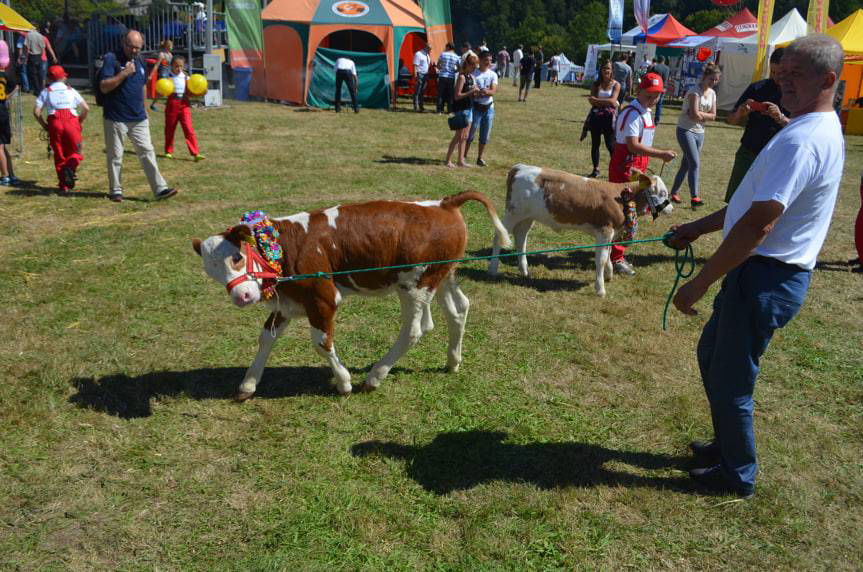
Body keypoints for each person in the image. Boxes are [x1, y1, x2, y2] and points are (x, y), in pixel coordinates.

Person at [668, 35, 845, 499]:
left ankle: (737, 473)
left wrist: (700, 283)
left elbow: (758, 224)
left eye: (796, 75)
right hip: (761, 273)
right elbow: (750, 205)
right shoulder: (808, 126)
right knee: (713, 356)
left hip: (767, 276)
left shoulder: (803, 140)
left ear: (827, 79)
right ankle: (727, 445)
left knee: (731, 379)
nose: (783, 82)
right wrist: (697, 227)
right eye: (781, 74)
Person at [607, 72, 676, 276]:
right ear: (639, 91)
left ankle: (613, 250)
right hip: (626, 169)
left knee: (635, 210)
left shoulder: (645, 111)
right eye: (649, 95)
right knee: (626, 214)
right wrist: (661, 154)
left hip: (636, 168)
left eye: (657, 96)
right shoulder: (633, 114)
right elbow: (632, 145)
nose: (653, 99)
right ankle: (616, 257)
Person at [99, 30, 177, 203]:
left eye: (138, 47)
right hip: (116, 116)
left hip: (138, 117)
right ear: (123, 42)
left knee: (147, 151)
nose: (134, 50)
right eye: (131, 47)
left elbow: (142, 85)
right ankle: (115, 190)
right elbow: (104, 86)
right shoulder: (111, 59)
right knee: (115, 155)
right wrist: (124, 74)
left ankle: (160, 188)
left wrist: (144, 108)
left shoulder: (140, 59)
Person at [724, 48, 789, 203]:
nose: (776, 77)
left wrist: (780, 117)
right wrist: (740, 112)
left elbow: (802, 127)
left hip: (776, 158)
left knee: (763, 204)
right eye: (773, 72)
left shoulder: (795, 93)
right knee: (735, 201)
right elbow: (730, 120)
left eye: (780, 73)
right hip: (748, 153)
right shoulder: (757, 88)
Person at [669, 62, 721, 208]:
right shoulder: (694, 92)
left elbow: (713, 115)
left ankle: (673, 193)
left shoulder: (712, 94)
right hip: (685, 130)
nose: (713, 82)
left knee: (686, 164)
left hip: (700, 132)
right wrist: (702, 115)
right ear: (704, 77)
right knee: (695, 163)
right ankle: (695, 197)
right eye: (711, 79)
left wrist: (700, 114)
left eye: (716, 80)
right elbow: (693, 116)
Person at [33, 65, 89, 193]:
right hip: (71, 121)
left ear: (49, 78)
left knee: (59, 154)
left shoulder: (46, 91)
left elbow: (36, 112)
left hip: (54, 122)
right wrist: (79, 121)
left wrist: (45, 126)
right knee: (76, 151)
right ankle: (70, 167)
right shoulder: (71, 90)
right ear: (63, 77)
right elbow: (86, 108)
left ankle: (63, 185)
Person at [162, 56, 203, 161]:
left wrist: (200, 91)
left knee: (188, 128)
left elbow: (191, 91)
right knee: (170, 128)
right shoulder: (168, 77)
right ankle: (168, 151)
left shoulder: (186, 77)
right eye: (176, 66)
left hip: (184, 104)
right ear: (171, 66)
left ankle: (195, 153)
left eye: (181, 66)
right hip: (172, 104)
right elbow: (162, 90)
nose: (179, 69)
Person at [584, 60, 620, 178]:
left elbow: (613, 101)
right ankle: (596, 169)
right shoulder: (596, 84)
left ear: (612, 70)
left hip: (609, 119)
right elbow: (591, 100)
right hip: (596, 117)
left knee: (610, 145)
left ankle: (615, 170)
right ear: (601, 70)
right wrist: (606, 102)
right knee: (595, 144)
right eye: (604, 68)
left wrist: (597, 101)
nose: (606, 70)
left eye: (608, 68)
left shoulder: (616, 85)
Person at [464, 50, 498, 167]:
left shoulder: (493, 74)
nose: (489, 62)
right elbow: (471, 90)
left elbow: (493, 91)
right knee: (470, 134)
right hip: (475, 107)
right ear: (480, 60)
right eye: (486, 60)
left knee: (485, 135)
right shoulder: (474, 73)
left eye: (490, 60)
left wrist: (484, 92)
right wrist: (478, 93)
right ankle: (464, 156)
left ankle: (480, 158)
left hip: (489, 108)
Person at [445, 53, 479, 168]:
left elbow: (470, 94)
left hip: (469, 109)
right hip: (461, 110)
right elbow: (457, 96)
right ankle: (448, 160)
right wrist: (471, 91)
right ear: (467, 64)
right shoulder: (462, 77)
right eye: (473, 66)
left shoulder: (471, 77)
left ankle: (461, 161)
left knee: (465, 136)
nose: (475, 68)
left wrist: (476, 92)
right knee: (458, 136)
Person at [0, 58, 19, 186]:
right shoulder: (5, 75)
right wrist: (7, 97)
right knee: (2, 145)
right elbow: (16, 87)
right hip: (3, 109)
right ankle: (11, 175)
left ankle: (5, 176)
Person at [24, 29, 56, 95]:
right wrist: (54, 57)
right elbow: (49, 48)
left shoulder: (29, 35)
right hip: (42, 58)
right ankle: (42, 89)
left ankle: (37, 89)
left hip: (33, 57)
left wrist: (26, 57)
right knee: (42, 75)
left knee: (34, 74)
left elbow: (26, 47)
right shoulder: (43, 38)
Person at [148, 39, 173, 111]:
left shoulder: (170, 55)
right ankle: (153, 105)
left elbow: (171, 66)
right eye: (170, 46)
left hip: (168, 74)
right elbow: (156, 65)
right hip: (163, 75)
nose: (171, 47)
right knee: (161, 92)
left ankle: (170, 105)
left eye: (172, 46)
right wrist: (151, 75)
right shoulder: (161, 54)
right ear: (167, 46)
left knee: (170, 90)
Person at [436, 43, 459, 114]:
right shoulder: (456, 56)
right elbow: (459, 68)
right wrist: (454, 71)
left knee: (440, 94)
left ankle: (439, 110)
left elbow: (438, 65)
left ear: (448, 47)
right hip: (451, 77)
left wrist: (441, 68)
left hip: (442, 76)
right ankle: (450, 110)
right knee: (450, 95)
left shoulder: (443, 54)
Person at [651, 56, 671, 123]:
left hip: (655, 86)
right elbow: (668, 78)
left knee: (650, 101)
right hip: (663, 87)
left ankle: (648, 116)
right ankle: (657, 119)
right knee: (659, 104)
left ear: (658, 60)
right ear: (664, 61)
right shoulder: (667, 68)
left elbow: (651, 76)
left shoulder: (655, 67)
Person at [413, 45, 431, 112]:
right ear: (426, 47)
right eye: (429, 49)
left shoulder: (427, 55)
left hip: (426, 75)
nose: (430, 50)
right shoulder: (418, 54)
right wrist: (415, 75)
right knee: (417, 91)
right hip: (420, 74)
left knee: (422, 91)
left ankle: (421, 106)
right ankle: (416, 107)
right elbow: (415, 65)